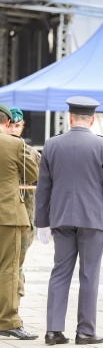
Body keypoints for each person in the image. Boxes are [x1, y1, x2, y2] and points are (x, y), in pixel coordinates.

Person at [34, 96, 103, 346]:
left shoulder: (51, 144)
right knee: (89, 274)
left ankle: (53, 330)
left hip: (60, 217)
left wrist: (42, 221)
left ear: (70, 117)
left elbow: (44, 188)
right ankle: (85, 331)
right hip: (93, 219)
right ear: (91, 120)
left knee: (59, 272)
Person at [0, 103, 39, 340]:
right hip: (7, 214)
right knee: (8, 268)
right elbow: (32, 174)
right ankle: (8, 320)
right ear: (6, 122)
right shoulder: (15, 144)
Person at [5, 107, 41, 304]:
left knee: (17, 264)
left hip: (24, 218)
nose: (13, 130)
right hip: (6, 215)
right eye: (10, 126)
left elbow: (39, 181)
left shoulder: (31, 153)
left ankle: (13, 308)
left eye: (17, 126)